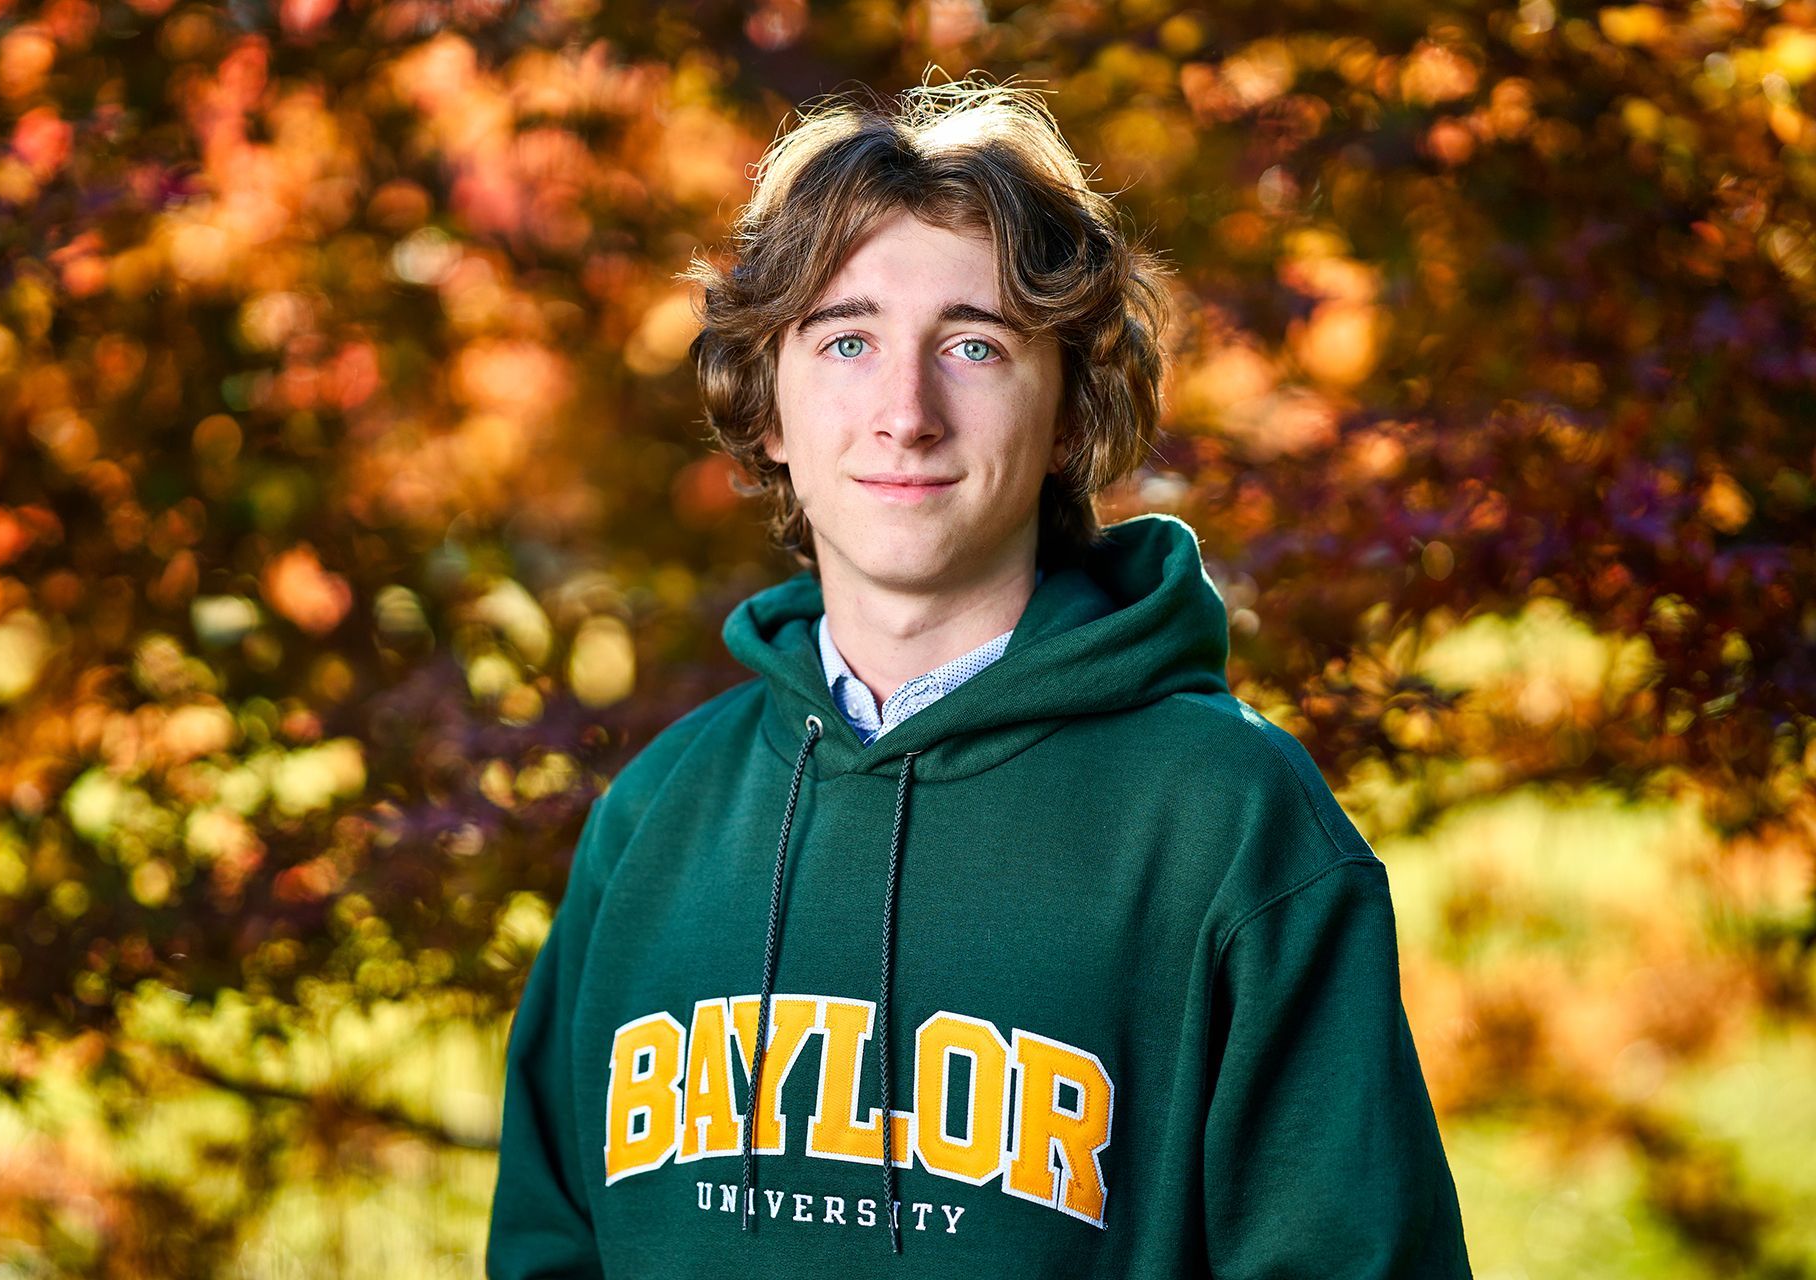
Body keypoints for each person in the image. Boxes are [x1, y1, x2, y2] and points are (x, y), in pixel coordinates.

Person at [485, 77, 1471, 1278]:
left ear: (1067, 413)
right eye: (847, 340)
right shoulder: (656, 817)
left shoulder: (1228, 821)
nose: (906, 412)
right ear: (770, 409)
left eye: (973, 344)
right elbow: (548, 1248)